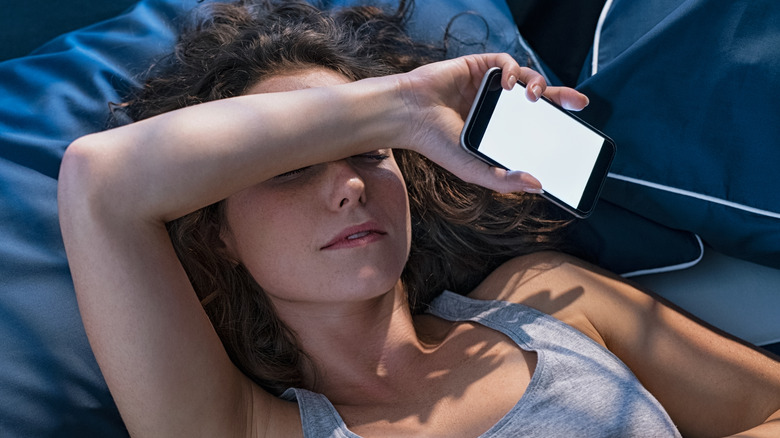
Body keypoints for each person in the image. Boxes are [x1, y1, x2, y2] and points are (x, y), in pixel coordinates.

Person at [57, 1, 780, 436]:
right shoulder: (241, 427)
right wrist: (397, 106)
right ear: (219, 233)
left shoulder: (547, 299)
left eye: (372, 153)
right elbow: (100, 180)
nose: (348, 186)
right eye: (292, 168)